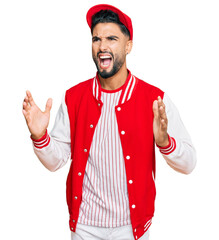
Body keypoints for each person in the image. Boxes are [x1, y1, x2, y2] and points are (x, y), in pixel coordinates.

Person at [22, 4, 197, 240]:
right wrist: (39, 136)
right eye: (96, 39)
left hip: (131, 228)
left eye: (111, 38)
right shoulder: (73, 98)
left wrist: (165, 141)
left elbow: (189, 163)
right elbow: (56, 162)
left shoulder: (155, 100)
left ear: (128, 45)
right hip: (84, 226)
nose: (102, 46)